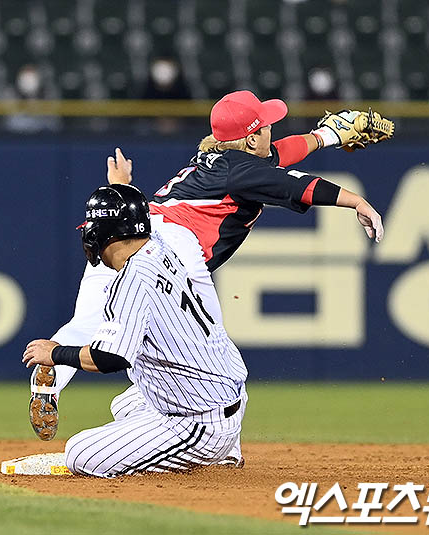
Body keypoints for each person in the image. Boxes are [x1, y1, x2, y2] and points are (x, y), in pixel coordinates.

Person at [28, 90, 386, 457]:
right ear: (251, 139)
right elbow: (299, 185)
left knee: (88, 323)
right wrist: (356, 201)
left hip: (122, 237)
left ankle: (51, 378)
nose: (271, 131)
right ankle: (220, 435)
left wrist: (326, 136)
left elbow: (280, 154)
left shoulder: (219, 159)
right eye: (265, 126)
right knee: (205, 338)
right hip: (173, 251)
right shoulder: (242, 171)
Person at [23, 184, 248, 477]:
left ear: (105, 233)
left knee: (79, 453)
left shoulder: (132, 280)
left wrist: (55, 353)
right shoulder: (159, 248)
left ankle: (206, 457)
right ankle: (175, 447)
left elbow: (109, 358)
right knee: (125, 403)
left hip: (199, 422)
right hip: (223, 392)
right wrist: (123, 190)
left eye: (93, 228)